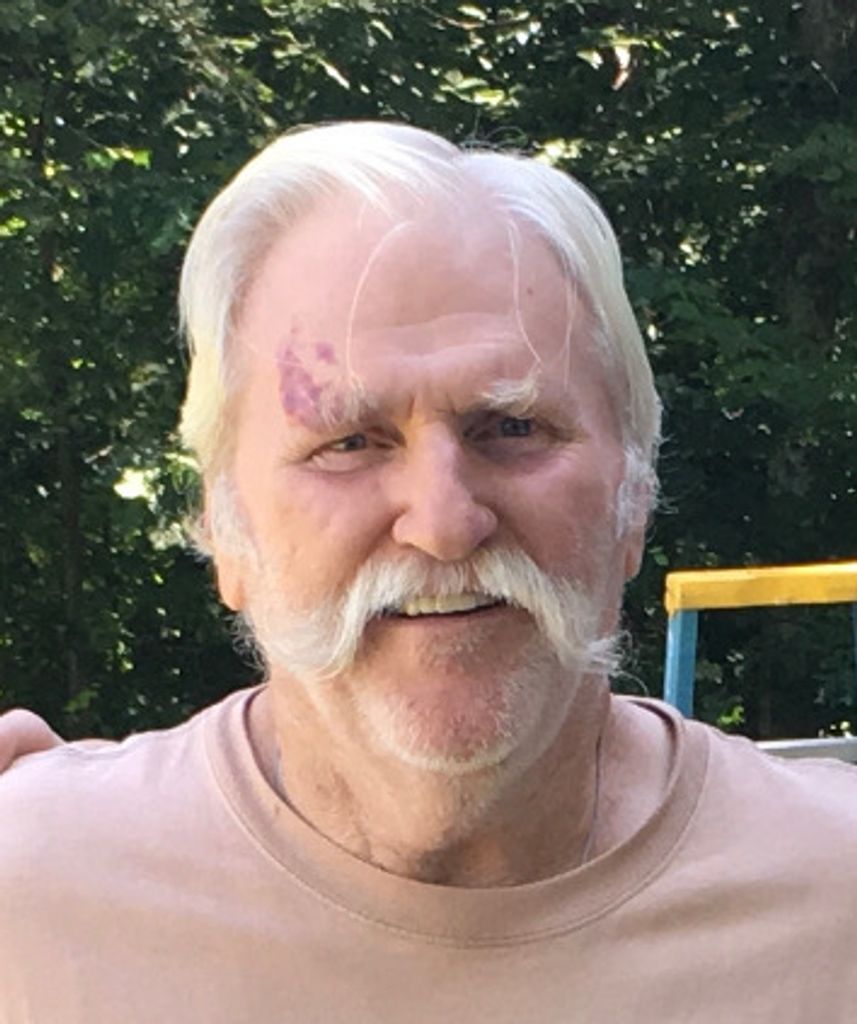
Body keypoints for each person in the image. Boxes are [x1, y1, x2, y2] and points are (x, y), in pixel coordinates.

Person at [1, 121, 856, 1022]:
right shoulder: (37, 904)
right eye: (349, 442)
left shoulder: (832, 900)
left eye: (512, 427)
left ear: (633, 497)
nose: (445, 524)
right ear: (224, 523)